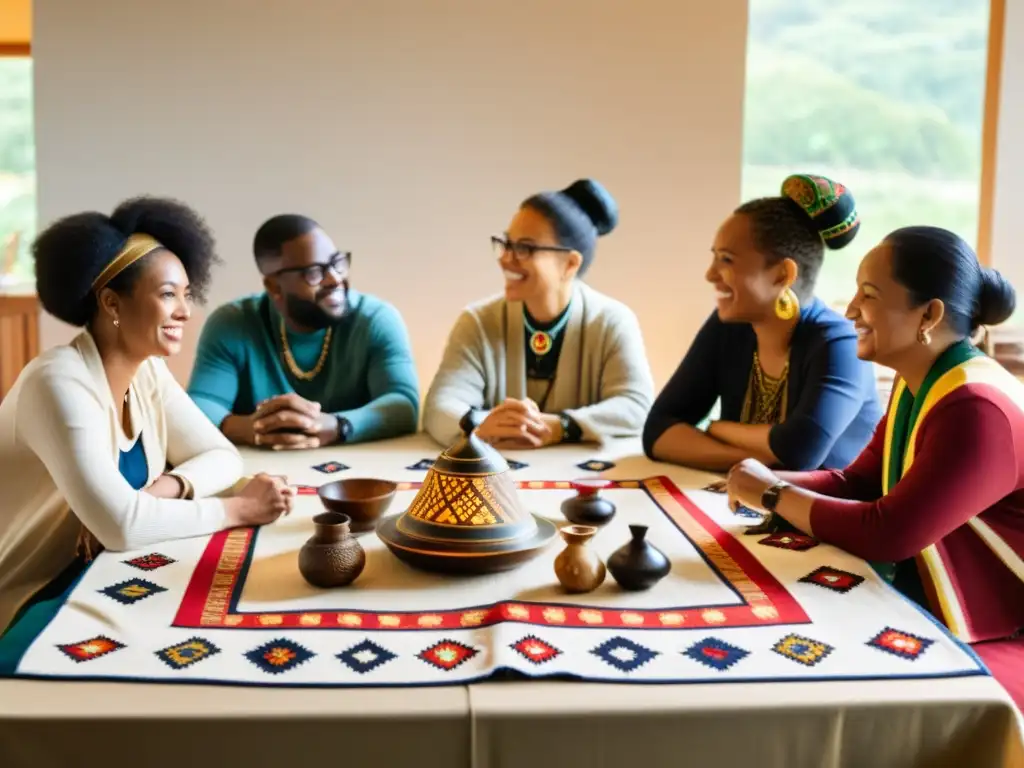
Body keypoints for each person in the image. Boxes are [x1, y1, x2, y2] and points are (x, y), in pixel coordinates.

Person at [725, 226, 1024, 712]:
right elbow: (858, 483)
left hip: (1006, 635)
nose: (849, 311)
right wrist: (761, 483)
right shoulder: (924, 381)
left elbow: (890, 531)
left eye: (868, 295)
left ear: (929, 314)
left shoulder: (975, 407)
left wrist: (775, 495)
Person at [0, 197, 293, 638]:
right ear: (112, 304)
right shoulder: (56, 382)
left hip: (93, 576)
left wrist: (160, 491)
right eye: (167, 294)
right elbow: (122, 527)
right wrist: (240, 508)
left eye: (186, 295)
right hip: (28, 599)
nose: (185, 311)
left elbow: (221, 455)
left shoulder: (147, 371)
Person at [643, 174, 882, 472]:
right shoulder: (727, 327)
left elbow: (799, 452)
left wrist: (716, 428)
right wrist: (760, 459)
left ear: (782, 275)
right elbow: (657, 431)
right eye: (715, 258)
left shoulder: (841, 343)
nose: (710, 274)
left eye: (726, 260)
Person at [423, 179, 654, 448]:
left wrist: (562, 427)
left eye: (525, 248)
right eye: (506, 243)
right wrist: (478, 422)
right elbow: (439, 407)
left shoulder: (612, 321)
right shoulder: (477, 321)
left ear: (569, 264)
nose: (505, 258)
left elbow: (637, 406)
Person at [187, 214, 419, 448]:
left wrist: (339, 426)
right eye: (314, 272)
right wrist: (254, 428)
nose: (335, 279)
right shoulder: (232, 324)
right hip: (262, 473)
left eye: (337, 263)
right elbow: (200, 405)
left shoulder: (376, 320)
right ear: (274, 286)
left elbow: (403, 405)